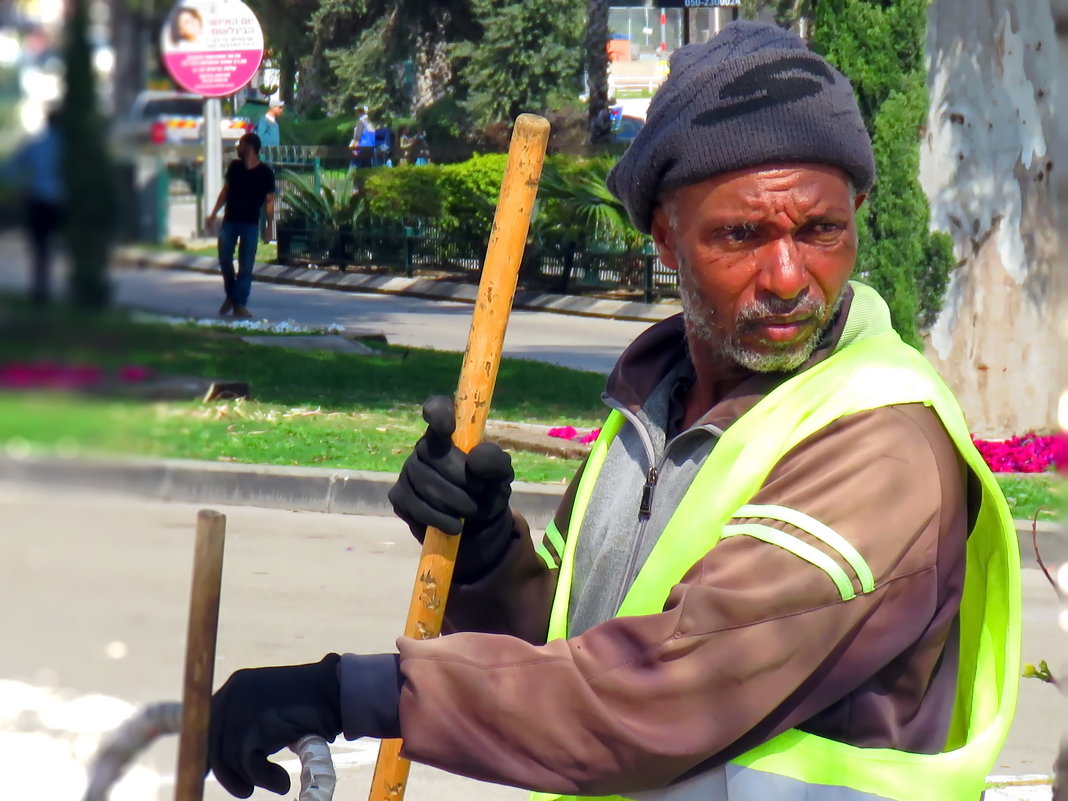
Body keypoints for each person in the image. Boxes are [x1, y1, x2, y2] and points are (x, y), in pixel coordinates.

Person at [206, 21, 1021, 801]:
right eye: (741, 235)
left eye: (821, 230)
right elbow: (569, 652)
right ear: (665, 240)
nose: (786, 274)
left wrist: (352, 692)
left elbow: (661, 692)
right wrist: (487, 556)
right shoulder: (653, 410)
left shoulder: (881, 442)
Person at [206, 132, 275, 318]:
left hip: (250, 224)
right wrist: (213, 214)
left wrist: (269, 227)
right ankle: (232, 294)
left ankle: (239, 303)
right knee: (224, 259)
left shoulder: (265, 173)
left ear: (249, 147)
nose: (237, 147)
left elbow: (270, 202)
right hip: (230, 222)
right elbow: (225, 193)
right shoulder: (235, 167)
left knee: (246, 267)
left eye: (240, 144)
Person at [4, 109, 64, 305]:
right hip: (65, 202)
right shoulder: (73, 147)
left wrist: (22, 185)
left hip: (39, 200)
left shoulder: (37, 145)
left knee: (41, 249)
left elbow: (11, 169)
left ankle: (41, 289)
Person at [349, 105, 376, 169]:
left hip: (360, 150)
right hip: (370, 150)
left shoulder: (361, 121)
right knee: (367, 172)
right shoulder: (371, 121)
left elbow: (357, 137)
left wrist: (354, 149)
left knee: (354, 172)